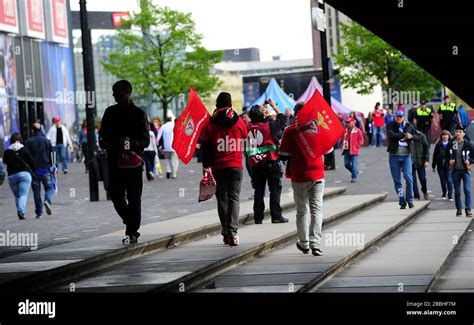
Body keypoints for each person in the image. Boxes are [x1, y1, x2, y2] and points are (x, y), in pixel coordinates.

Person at [99, 80, 150, 244]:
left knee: (134, 198)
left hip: (133, 164)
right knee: (115, 195)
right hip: (115, 162)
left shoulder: (139, 113)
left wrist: (130, 144)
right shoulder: (109, 112)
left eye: (116, 91)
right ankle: (131, 222)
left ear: (127, 92)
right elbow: (102, 137)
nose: (113, 94)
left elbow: (145, 140)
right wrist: (109, 144)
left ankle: (132, 231)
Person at [279, 102, 327, 256]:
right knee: (317, 209)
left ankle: (304, 243)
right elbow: (329, 148)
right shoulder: (317, 127)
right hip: (317, 173)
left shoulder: (290, 131)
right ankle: (316, 243)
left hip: (299, 175)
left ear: (295, 113)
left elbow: (283, 155)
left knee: (302, 211)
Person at [201, 92, 248, 246]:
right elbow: (245, 138)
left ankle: (226, 233)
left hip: (218, 166)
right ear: (231, 104)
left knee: (222, 199)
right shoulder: (239, 121)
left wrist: (206, 166)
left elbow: (206, 147)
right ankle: (233, 233)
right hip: (235, 165)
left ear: (216, 105)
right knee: (234, 198)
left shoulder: (210, 123)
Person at [247, 99, 288, 224]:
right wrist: (274, 105)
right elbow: (282, 118)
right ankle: (276, 216)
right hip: (271, 162)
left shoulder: (246, 127)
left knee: (258, 191)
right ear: (262, 116)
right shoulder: (268, 126)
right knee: (275, 189)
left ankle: (258, 217)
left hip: (255, 164)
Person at [386, 110, 421, 209]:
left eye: (401, 116)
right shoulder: (390, 125)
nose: (399, 118)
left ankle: (410, 199)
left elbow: (420, 136)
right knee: (397, 181)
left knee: (409, 178)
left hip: (406, 156)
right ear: (395, 117)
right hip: (394, 156)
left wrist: (411, 136)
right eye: (397, 116)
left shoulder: (410, 126)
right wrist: (404, 135)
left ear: (403, 117)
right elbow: (391, 136)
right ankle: (402, 201)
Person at [3, 133, 35, 220]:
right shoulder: (24, 149)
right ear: (20, 140)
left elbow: (5, 162)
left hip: (12, 176)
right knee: (23, 194)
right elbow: (32, 161)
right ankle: (21, 211)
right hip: (25, 174)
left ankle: (21, 212)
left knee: (17, 196)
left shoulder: (7, 152)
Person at [26, 123, 55, 219]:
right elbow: (52, 154)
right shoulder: (46, 141)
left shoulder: (29, 142)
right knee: (50, 188)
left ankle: (39, 212)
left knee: (36, 192)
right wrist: (53, 166)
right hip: (45, 169)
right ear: (41, 130)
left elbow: (27, 156)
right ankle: (47, 200)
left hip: (34, 171)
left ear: (32, 130)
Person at [448, 125, 473, 217]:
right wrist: (449, 161)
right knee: (457, 191)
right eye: (457, 131)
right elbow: (446, 155)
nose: (458, 133)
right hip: (455, 171)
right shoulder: (452, 143)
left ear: (464, 133)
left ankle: (468, 209)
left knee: (467, 190)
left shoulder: (468, 144)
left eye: (460, 132)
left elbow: (473, 157)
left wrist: (469, 161)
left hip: (465, 170)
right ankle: (459, 208)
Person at [432, 130, 453, 201]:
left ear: (448, 136)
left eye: (446, 135)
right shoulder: (438, 145)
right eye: (443, 135)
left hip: (448, 165)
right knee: (442, 180)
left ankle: (450, 195)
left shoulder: (451, 144)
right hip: (440, 165)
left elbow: (454, 154)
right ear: (441, 136)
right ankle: (444, 192)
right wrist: (433, 165)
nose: (445, 136)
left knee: (449, 180)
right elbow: (434, 155)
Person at [342, 117, 365, 183]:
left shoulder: (357, 130)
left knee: (354, 164)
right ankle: (354, 171)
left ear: (353, 123)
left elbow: (361, 140)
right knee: (346, 164)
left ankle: (354, 177)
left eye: (349, 123)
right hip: (346, 149)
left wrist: (357, 146)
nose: (347, 124)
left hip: (354, 150)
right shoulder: (346, 131)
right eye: (347, 123)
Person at [410, 130, 430, 201]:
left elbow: (426, 148)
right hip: (410, 162)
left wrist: (427, 160)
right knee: (412, 180)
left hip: (420, 161)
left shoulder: (421, 135)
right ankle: (416, 196)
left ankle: (424, 191)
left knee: (423, 179)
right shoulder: (405, 136)